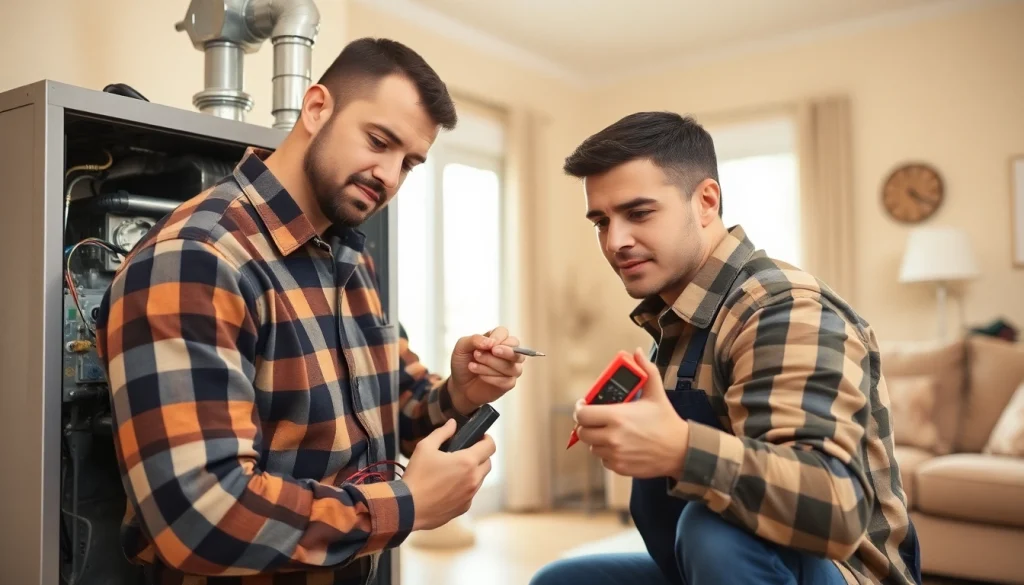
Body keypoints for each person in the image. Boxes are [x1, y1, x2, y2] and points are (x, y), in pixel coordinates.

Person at [94, 37, 527, 585]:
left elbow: (387, 410)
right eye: (378, 140)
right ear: (317, 107)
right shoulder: (198, 260)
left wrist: (459, 394)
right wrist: (404, 504)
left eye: (409, 163)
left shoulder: (349, 252)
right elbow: (200, 517)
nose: (389, 177)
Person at [530, 112, 921, 585]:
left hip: (839, 571)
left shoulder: (783, 310)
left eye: (638, 213)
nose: (616, 242)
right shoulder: (678, 320)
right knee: (562, 581)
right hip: (706, 565)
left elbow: (836, 508)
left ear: (706, 202)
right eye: (600, 222)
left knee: (713, 532)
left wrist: (679, 449)